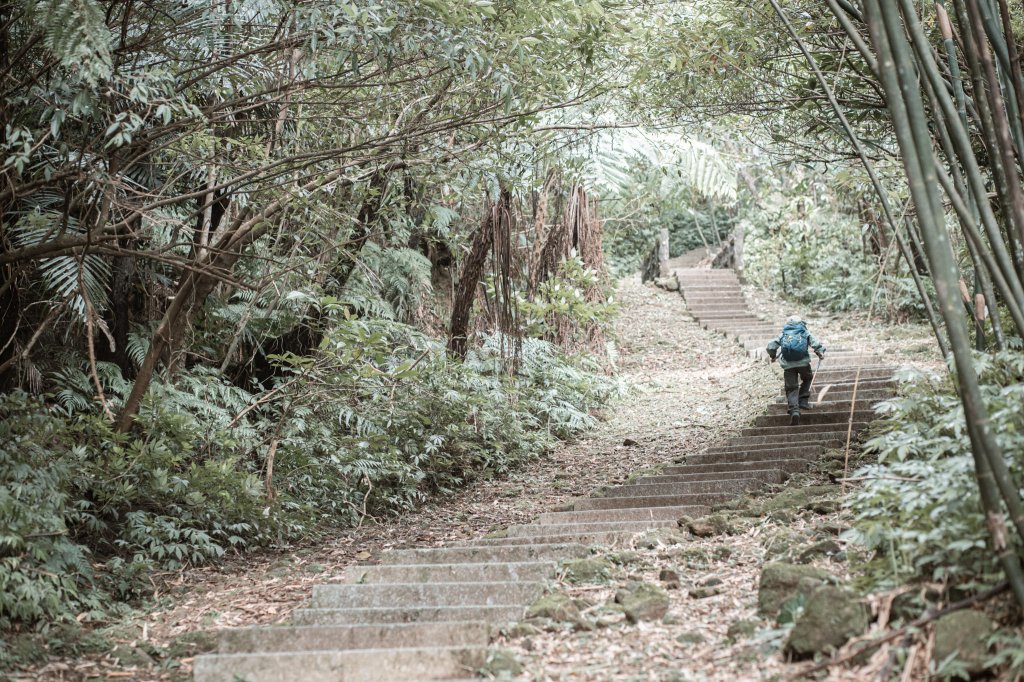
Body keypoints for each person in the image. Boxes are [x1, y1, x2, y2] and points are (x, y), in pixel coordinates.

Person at [766, 315, 826, 425]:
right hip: (803, 364)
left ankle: (794, 410)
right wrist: (820, 352)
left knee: (791, 388)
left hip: (788, 366)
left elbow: (770, 346)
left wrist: (773, 356)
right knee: (807, 378)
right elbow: (816, 344)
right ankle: (803, 400)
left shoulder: (784, 334)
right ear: (801, 323)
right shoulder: (804, 332)